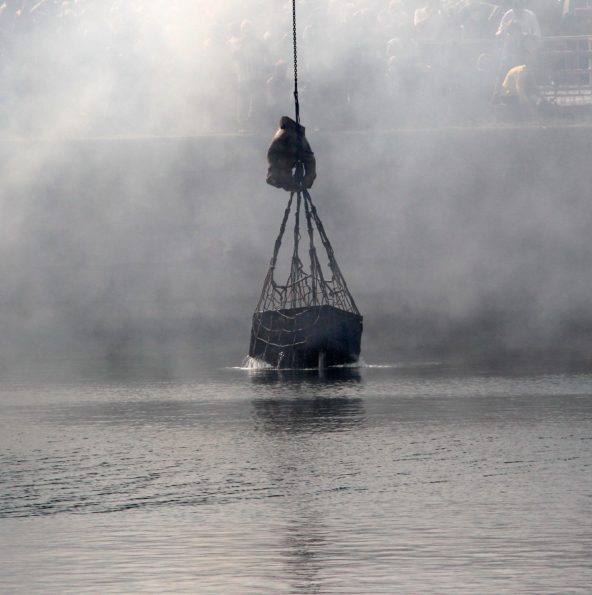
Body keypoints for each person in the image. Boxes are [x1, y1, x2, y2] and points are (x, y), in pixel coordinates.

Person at [266, 116, 316, 192]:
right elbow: (309, 159)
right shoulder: (291, 136)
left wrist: (308, 178)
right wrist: (308, 178)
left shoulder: (290, 136)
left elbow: (309, 159)